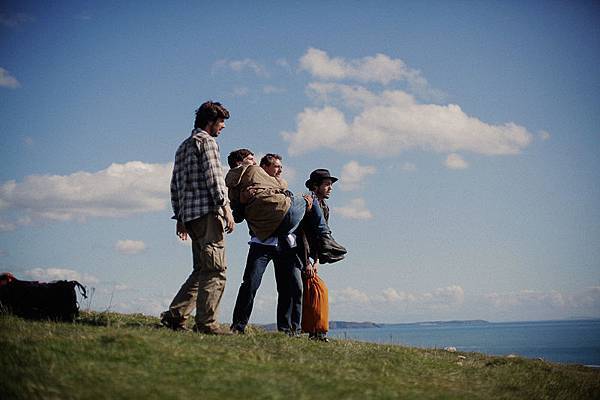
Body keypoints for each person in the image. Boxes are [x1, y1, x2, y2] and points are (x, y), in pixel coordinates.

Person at [160, 101, 235, 335]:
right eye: (221, 122)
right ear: (210, 122)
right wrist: (226, 208)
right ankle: (207, 323)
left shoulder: (183, 147)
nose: (223, 126)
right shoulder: (207, 142)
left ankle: (175, 315)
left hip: (190, 217)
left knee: (201, 269)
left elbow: (175, 185)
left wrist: (180, 217)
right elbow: (215, 178)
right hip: (207, 214)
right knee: (215, 269)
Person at [228, 151, 303, 335]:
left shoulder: (282, 186)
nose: (279, 171)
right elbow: (237, 216)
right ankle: (238, 326)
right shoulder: (248, 186)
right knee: (250, 284)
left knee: (285, 288)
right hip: (261, 243)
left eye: (280, 167)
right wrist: (243, 201)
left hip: (284, 243)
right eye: (276, 167)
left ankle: (285, 329)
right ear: (264, 168)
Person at [224, 153, 346, 264]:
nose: (255, 162)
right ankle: (325, 240)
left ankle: (324, 244)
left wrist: (313, 259)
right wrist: (242, 201)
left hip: (282, 239)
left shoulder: (276, 185)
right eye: (251, 159)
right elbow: (237, 216)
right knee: (251, 280)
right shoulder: (249, 181)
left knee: (289, 281)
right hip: (263, 239)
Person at [299, 169, 341, 341]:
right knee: (302, 292)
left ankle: (317, 332)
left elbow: (320, 239)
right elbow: (301, 234)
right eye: (327, 185)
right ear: (315, 186)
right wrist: (306, 262)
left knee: (316, 291)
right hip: (297, 252)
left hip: (311, 256)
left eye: (331, 185)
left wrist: (316, 260)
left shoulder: (325, 207)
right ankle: (301, 330)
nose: (330, 188)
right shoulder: (307, 204)